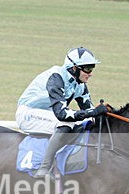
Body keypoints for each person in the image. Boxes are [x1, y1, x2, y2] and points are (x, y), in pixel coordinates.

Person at [16, 47, 107, 178]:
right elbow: (62, 114)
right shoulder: (56, 78)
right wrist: (92, 112)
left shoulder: (79, 84)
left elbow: (89, 111)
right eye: (87, 68)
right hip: (28, 114)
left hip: (49, 114)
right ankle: (44, 168)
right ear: (74, 68)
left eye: (92, 68)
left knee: (85, 122)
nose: (90, 73)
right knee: (65, 123)